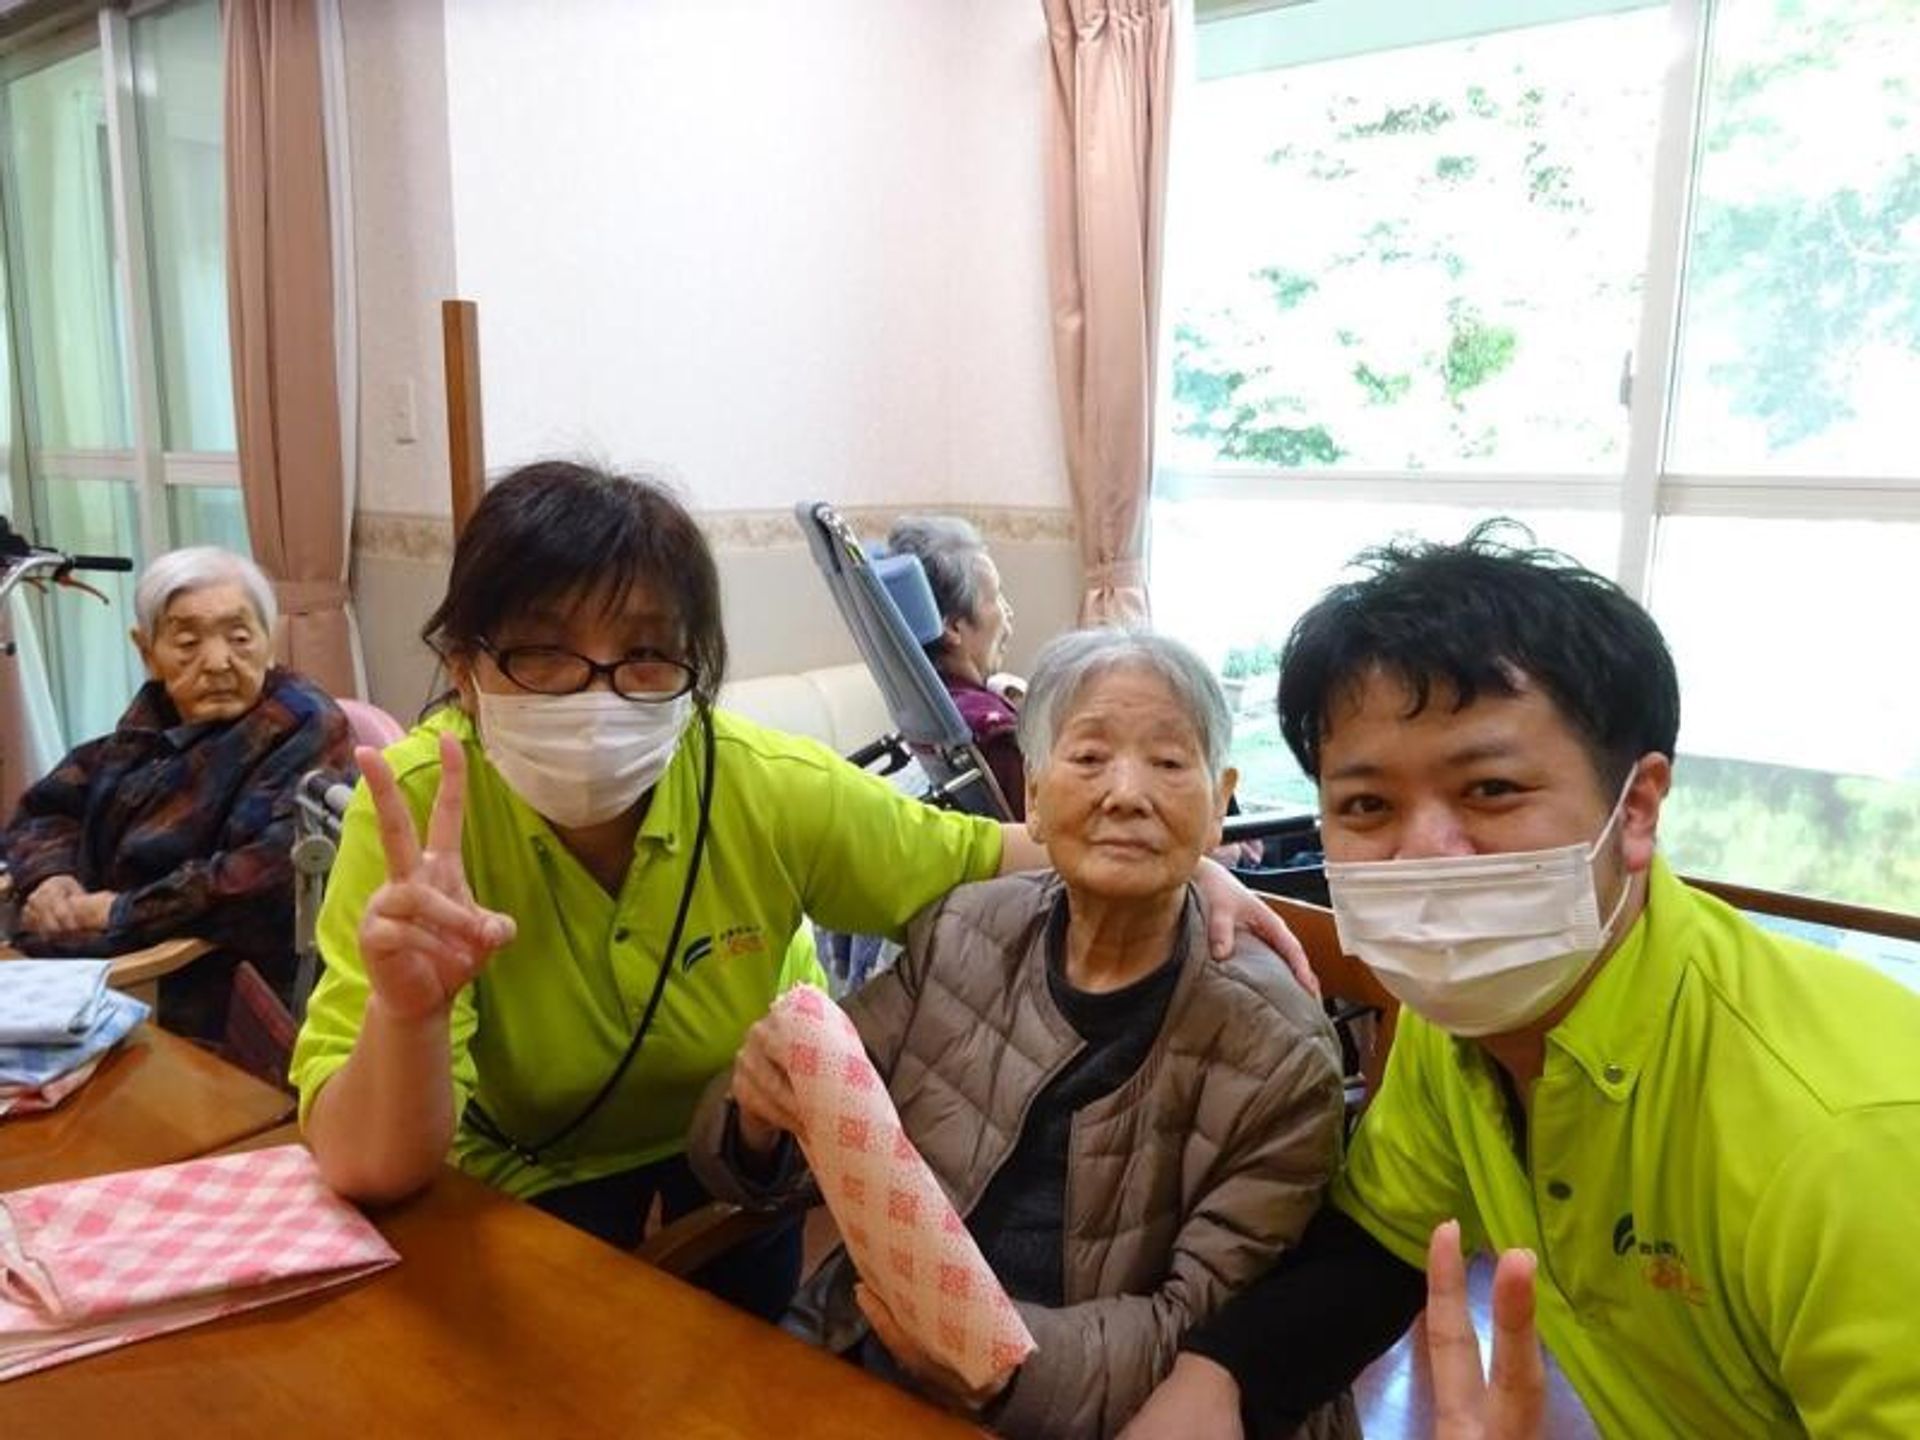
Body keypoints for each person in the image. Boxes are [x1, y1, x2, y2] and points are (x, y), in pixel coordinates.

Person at [291, 463, 1308, 1323]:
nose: (598, 692)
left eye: (646, 655)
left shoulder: (761, 783)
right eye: (546, 653)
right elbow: (369, 1167)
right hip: (521, 1175)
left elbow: (973, 853)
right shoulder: (417, 816)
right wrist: (407, 1011)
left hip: (743, 1149)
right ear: (465, 668)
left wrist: (1171, 852)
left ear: (694, 670)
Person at [1121, 524, 1920, 1439]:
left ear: (1639, 808)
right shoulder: (1462, 1020)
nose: (1426, 855)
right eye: (1368, 805)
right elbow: (1383, 1236)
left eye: (1491, 789)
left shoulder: (1844, 1142)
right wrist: (1215, 1381)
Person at [689, 629, 1353, 1439]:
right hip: (868, 1347)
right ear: (1034, 796)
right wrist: (757, 1121)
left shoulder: (1278, 1048)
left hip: (1087, 1411)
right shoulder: (963, 929)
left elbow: (1208, 1334)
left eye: (1170, 764)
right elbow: (810, 1134)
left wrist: (995, 1367)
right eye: (1089, 757)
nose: (1126, 793)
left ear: (1221, 802)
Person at [3, 546, 350, 1039]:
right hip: (78, 974)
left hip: (191, 995)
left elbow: (265, 875)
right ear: (148, 652)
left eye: (239, 637)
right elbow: (49, 806)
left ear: (269, 643)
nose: (216, 662)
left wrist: (115, 912)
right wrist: (49, 878)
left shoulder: (303, 726)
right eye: (187, 642)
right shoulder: (155, 717)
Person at [886, 516, 1025, 817]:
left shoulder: (927, 704)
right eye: (995, 597)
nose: (1008, 611)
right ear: (952, 627)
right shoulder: (995, 731)